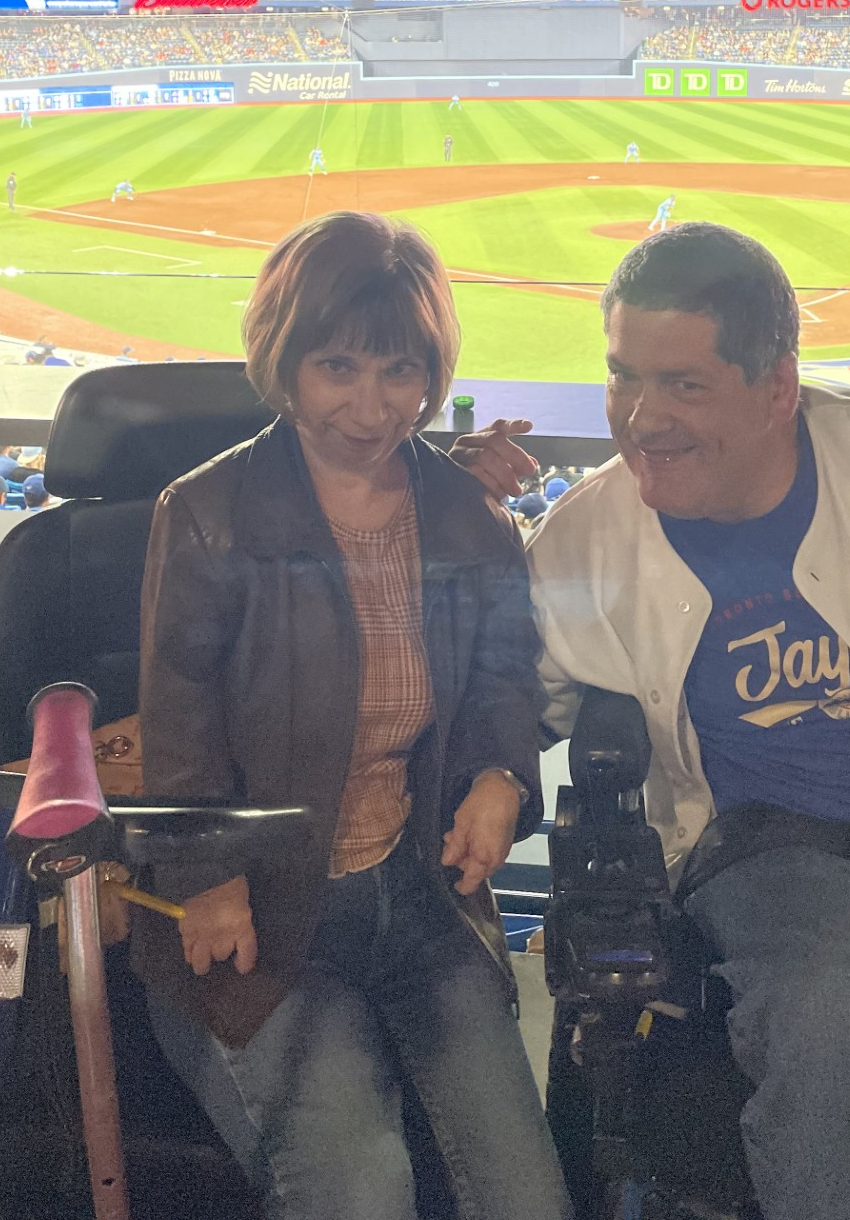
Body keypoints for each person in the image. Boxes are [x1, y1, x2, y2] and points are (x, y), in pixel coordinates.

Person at [451, 221, 850, 1220]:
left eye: (684, 385)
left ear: (777, 386)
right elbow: (502, 698)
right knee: (834, 1051)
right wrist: (493, 771)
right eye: (623, 378)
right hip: (793, 862)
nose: (641, 418)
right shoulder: (584, 544)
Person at [135, 211, 573, 1220]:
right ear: (284, 361)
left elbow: (506, 674)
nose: (370, 407)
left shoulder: (465, 512)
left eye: (398, 372)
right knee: (360, 1189)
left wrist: (503, 775)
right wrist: (209, 875)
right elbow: (181, 719)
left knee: (525, 1196)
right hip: (263, 909)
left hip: (416, 901)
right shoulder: (208, 512)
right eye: (337, 367)